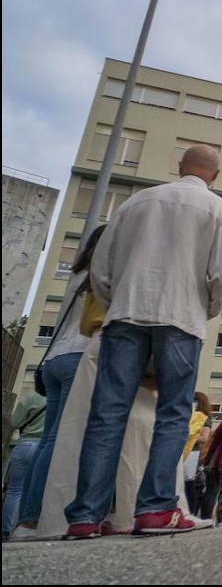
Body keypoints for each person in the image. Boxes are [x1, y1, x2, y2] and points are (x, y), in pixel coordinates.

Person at [64, 144, 222, 539]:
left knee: (107, 414)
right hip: (181, 317)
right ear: (216, 174)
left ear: (179, 167)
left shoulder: (136, 203)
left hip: (127, 312)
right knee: (174, 413)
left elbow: (102, 267)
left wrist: (117, 302)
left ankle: (86, 515)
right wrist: (205, 308)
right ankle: (156, 509)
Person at [9, 226, 106, 540]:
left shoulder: (75, 275)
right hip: (79, 356)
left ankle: (27, 518)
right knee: (60, 441)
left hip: (53, 360)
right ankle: (34, 519)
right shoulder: (100, 275)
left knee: (48, 440)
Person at [4, 391, 46, 538]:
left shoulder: (31, 397)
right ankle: (28, 526)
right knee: (38, 489)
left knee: (15, 490)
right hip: (46, 447)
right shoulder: (63, 395)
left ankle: (5, 530)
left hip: (25, 445)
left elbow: (14, 422)